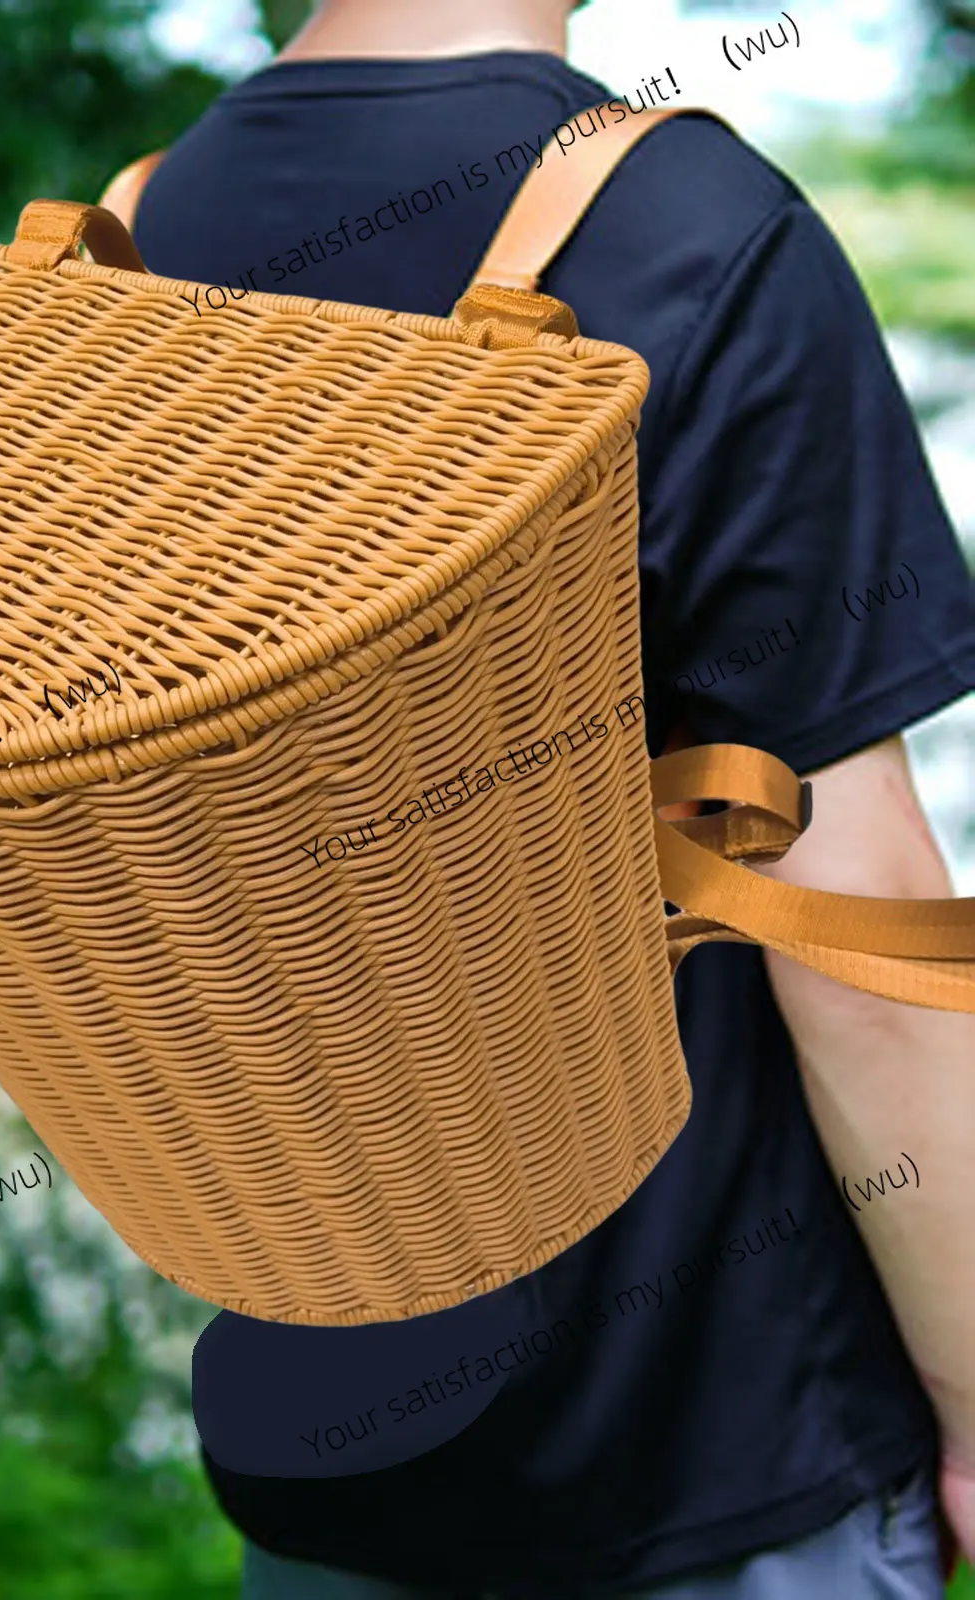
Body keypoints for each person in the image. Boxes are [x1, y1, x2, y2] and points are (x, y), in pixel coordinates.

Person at [115, 1, 975, 1594]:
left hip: (330, 1431)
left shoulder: (135, 235)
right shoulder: (690, 222)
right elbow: (857, 932)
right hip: (725, 1438)